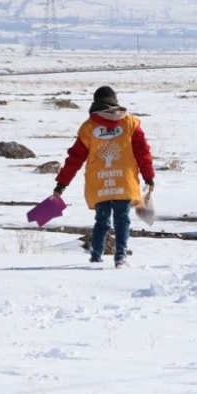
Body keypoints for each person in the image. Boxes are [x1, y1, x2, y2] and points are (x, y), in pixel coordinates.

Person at [52, 86, 155, 267]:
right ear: (115, 102)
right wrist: (149, 177)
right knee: (122, 220)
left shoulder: (88, 127)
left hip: (99, 183)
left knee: (102, 221)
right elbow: (143, 153)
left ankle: (96, 257)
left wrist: (61, 184)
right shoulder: (130, 124)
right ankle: (121, 256)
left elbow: (74, 158)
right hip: (124, 182)